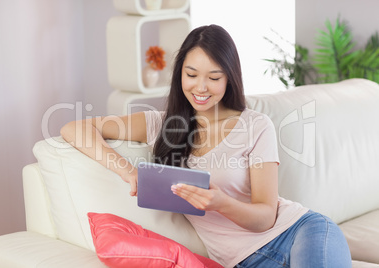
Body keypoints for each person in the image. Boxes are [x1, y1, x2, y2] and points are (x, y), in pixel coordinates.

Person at [61, 24, 352, 268]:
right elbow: (75, 128)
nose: (201, 88)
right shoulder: (160, 124)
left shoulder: (255, 125)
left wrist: (221, 203)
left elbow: (265, 216)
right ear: (180, 75)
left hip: (300, 232)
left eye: (214, 78)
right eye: (191, 75)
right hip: (243, 261)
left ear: (229, 78)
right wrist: (128, 172)